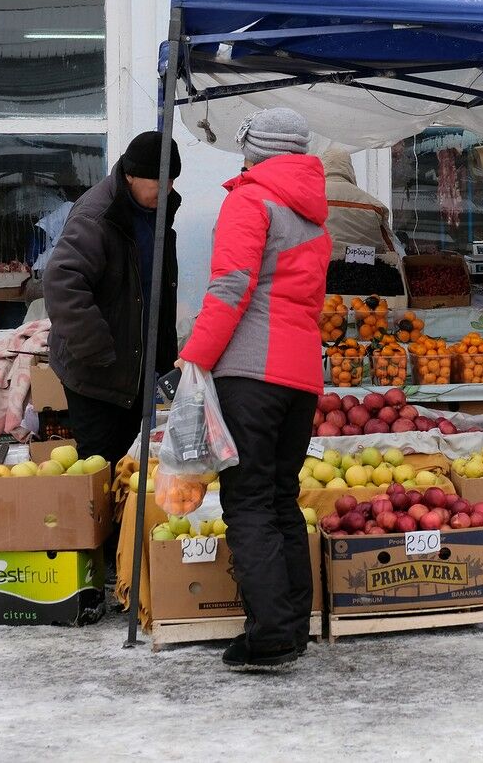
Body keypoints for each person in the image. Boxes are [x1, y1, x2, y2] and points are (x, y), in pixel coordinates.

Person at [180, 107, 330, 670]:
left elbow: (229, 288)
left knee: (247, 502)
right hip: (301, 376)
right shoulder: (314, 215)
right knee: (280, 498)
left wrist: (194, 356)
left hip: (251, 371)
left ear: (256, 149)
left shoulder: (249, 200)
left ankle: (268, 637)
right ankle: (292, 627)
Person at [43, 132, 182, 572]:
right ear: (131, 176)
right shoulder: (97, 214)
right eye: (160, 184)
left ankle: (127, 561)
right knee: (100, 469)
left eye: (173, 183)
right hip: (98, 372)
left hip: (134, 367)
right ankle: (99, 569)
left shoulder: (152, 208)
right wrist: (97, 348)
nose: (168, 192)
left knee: (133, 467)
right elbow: (61, 282)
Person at [322, 146, 395, 252]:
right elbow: (390, 251)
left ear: (323, 167)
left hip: (318, 265)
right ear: (349, 168)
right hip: (361, 266)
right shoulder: (375, 206)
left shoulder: (308, 199)